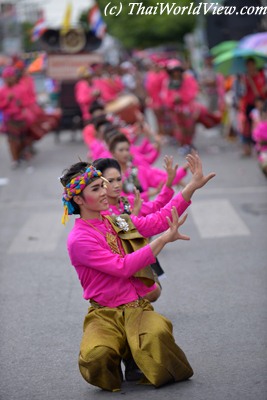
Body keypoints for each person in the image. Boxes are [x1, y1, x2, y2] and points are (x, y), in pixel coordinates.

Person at [60, 151, 216, 392]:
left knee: (158, 337)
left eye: (103, 185)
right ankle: (122, 350)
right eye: (96, 189)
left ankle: (135, 351)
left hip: (135, 307)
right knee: (97, 357)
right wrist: (163, 240)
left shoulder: (117, 221)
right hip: (105, 314)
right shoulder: (79, 239)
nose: (105, 191)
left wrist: (191, 187)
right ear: (78, 200)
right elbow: (122, 268)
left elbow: (159, 219)